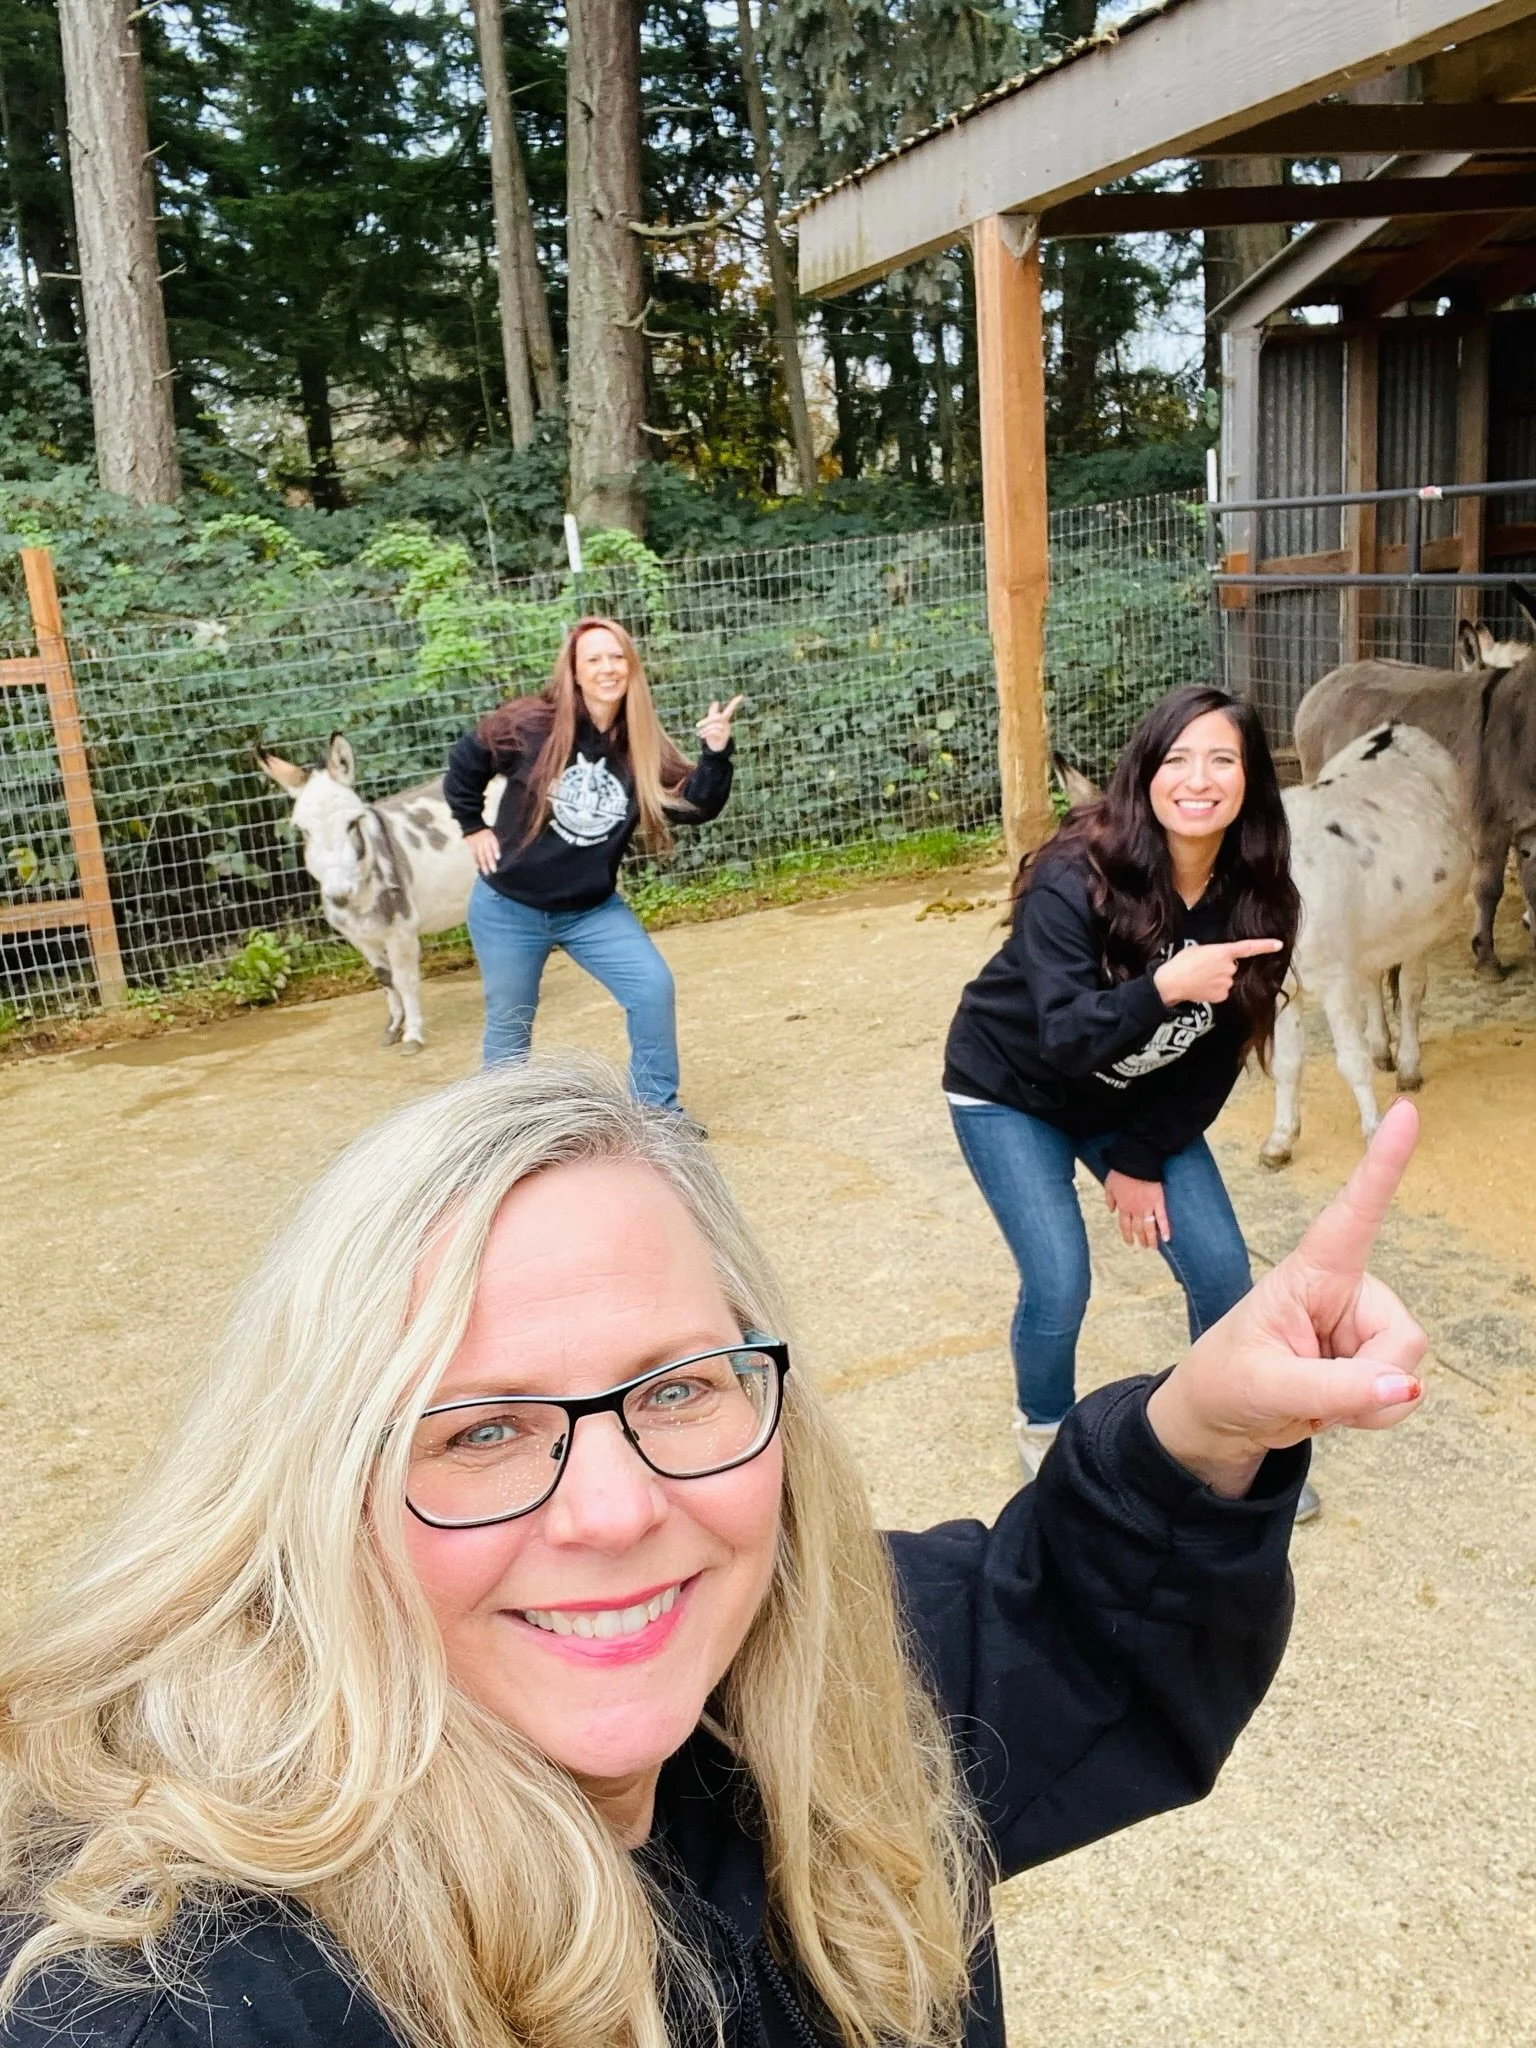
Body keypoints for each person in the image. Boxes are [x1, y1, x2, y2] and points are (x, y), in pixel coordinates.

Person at [0, 1056, 1426, 2048]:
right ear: (319, 1481)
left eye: (677, 1388)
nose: (614, 1513)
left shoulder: (824, 1672)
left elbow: (1053, 1635)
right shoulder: (183, 1973)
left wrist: (1203, 1425)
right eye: (481, 1431)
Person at [943, 686, 1308, 1502]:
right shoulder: (1073, 875)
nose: (1199, 779)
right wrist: (1168, 985)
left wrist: (1140, 1158)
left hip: (1127, 1102)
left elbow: (1218, 1057)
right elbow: (1067, 1035)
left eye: (1223, 759)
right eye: (1177, 758)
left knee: (1219, 1269)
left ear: (1251, 779)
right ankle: (1043, 1429)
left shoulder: (1259, 897)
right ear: (1144, 772)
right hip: (1011, 1088)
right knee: (1060, 1278)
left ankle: (1221, 1438)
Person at [443, 615, 742, 1108]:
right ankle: (500, 1128)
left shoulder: (640, 743)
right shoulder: (531, 725)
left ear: (632, 667)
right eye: (594, 660)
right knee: (511, 1020)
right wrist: (471, 825)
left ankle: (657, 1112)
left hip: (590, 910)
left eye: (617, 657)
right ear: (574, 672)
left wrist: (716, 752)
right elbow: (465, 762)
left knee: (651, 987)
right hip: (509, 908)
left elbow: (697, 804)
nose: (608, 669)